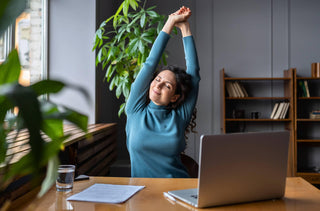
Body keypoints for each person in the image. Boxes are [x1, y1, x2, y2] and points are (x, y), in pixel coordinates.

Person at [125, 6, 200, 178]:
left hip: (178, 189)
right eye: (157, 80)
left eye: (167, 86)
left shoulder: (180, 117)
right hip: (142, 193)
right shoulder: (135, 110)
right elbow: (150, 63)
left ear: (175, 96)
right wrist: (170, 21)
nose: (158, 86)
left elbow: (194, 74)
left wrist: (185, 27)